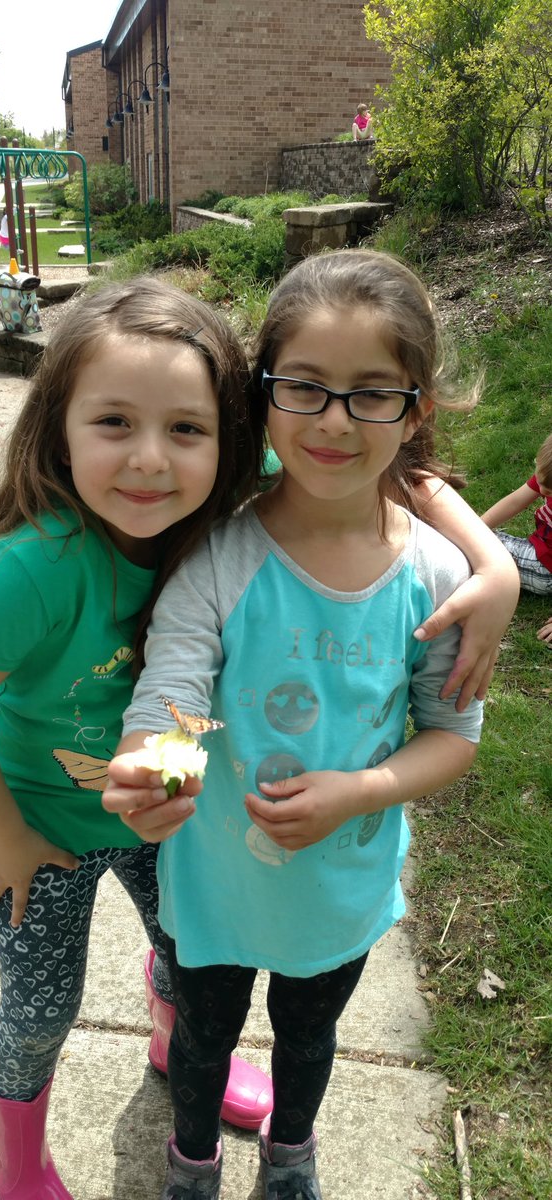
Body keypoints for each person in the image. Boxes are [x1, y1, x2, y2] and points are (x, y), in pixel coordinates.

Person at [103, 250, 509, 1200]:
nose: (333, 420)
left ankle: (290, 1152)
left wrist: (363, 791)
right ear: (264, 392)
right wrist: (153, 765)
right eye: (306, 386)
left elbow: (451, 733)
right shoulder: (216, 557)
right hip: (216, 878)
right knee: (202, 1034)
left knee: (309, 1033)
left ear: (415, 409)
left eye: (371, 393)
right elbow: (174, 689)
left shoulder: (438, 578)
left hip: (341, 886)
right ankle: (191, 1160)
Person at [0, 277, 274, 1200]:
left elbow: (369, 471)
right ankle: (14, 1162)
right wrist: (4, 832)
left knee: (195, 963)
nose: (150, 458)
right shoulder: (33, 567)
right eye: (113, 421)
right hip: (39, 828)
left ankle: (175, 1047)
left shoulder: (223, 531)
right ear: (58, 430)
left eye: (186, 428)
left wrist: (487, 567)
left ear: (229, 440)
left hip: (165, 813)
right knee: (37, 1012)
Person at [481, 432, 552, 596]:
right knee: (473, 536)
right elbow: (514, 502)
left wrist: (471, 534)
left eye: (549, 491)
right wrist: (476, 526)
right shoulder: (547, 474)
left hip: (544, 568)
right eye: (539, 481)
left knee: (478, 545)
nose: (541, 491)